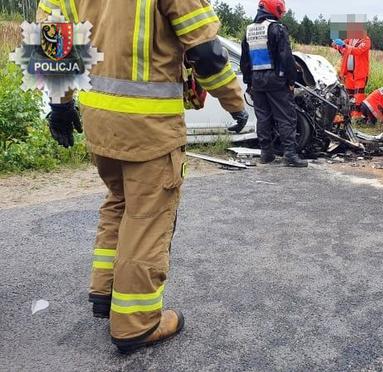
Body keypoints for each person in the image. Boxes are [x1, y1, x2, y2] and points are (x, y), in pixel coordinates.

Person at [38, 0, 248, 353]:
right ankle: (136, 322)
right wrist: (235, 103)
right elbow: (208, 54)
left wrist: (60, 107)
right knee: (146, 217)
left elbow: (53, 43)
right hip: (148, 128)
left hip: (99, 122)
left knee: (119, 202)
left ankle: (106, 292)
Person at [240, 0, 308, 167]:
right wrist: (291, 80)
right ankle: (290, 155)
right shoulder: (277, 28)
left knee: (263, 117)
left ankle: (266, 154)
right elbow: (286, 57)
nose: (282, 13)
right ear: (275, 9)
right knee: (286, 117)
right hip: (276, 80)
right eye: (281, 10)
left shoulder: (249, 31)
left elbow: (245, 61)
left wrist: (249, 82)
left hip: (257, 81)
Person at [332, 23, 371, 119]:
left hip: (359, 75)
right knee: (348, 96)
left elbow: (357, 51)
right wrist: (335, 44)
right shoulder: (351, 39)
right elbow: (341, 47)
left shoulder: (366, 40)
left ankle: (357, 118)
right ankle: (348, 116)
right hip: (348, 74)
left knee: (358, 97)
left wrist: (344, 45)